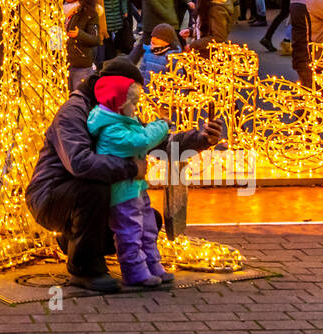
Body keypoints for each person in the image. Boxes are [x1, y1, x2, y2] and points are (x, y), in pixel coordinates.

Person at [25, 57, 222, 292]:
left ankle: (76, 241)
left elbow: (148, 143)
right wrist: (130, 169)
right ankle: (85, 268)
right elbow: (79, 163)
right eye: (132, 94)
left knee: (146, 218)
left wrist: (201, 139)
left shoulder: (118, 108)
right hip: (51, 195)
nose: (136, 103)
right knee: (95, 189)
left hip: (85, 194)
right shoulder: (74, 111)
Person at [86, 74, 174, 287]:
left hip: (136, 186)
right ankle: (134, 271)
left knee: (148, 227)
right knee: (130, 230)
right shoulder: (112, 129)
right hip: (122, 191)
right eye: (133, 103)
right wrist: (161, 126)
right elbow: (141, 141)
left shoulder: (124, 120)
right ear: (118, 105)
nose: (136, 108)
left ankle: (152, 264)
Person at [64, 0, 101, 92]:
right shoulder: (61, 9)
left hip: (80, 65)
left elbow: (95, 39)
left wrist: (79, 34)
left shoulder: (88, 12)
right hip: (64, 63)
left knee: (80, 99)